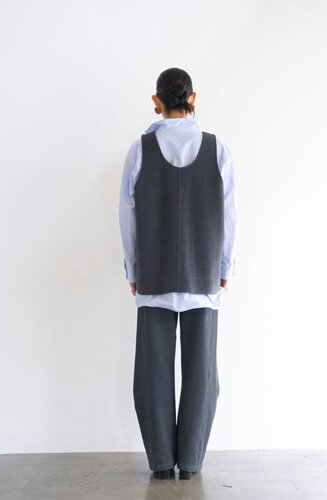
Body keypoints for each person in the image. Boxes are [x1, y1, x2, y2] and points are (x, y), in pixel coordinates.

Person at [118, 67, 238, 480]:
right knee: (203, 375)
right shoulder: (218, 149)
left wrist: (133, 268)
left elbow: (127, 216)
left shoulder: (139, 151)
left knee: (152, 376)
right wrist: (225, 265)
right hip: (203, 276)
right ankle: (190, 463)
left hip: (154, 275)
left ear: (156, 101)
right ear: (193, 98)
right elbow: (231, 213)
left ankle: (160, 463)